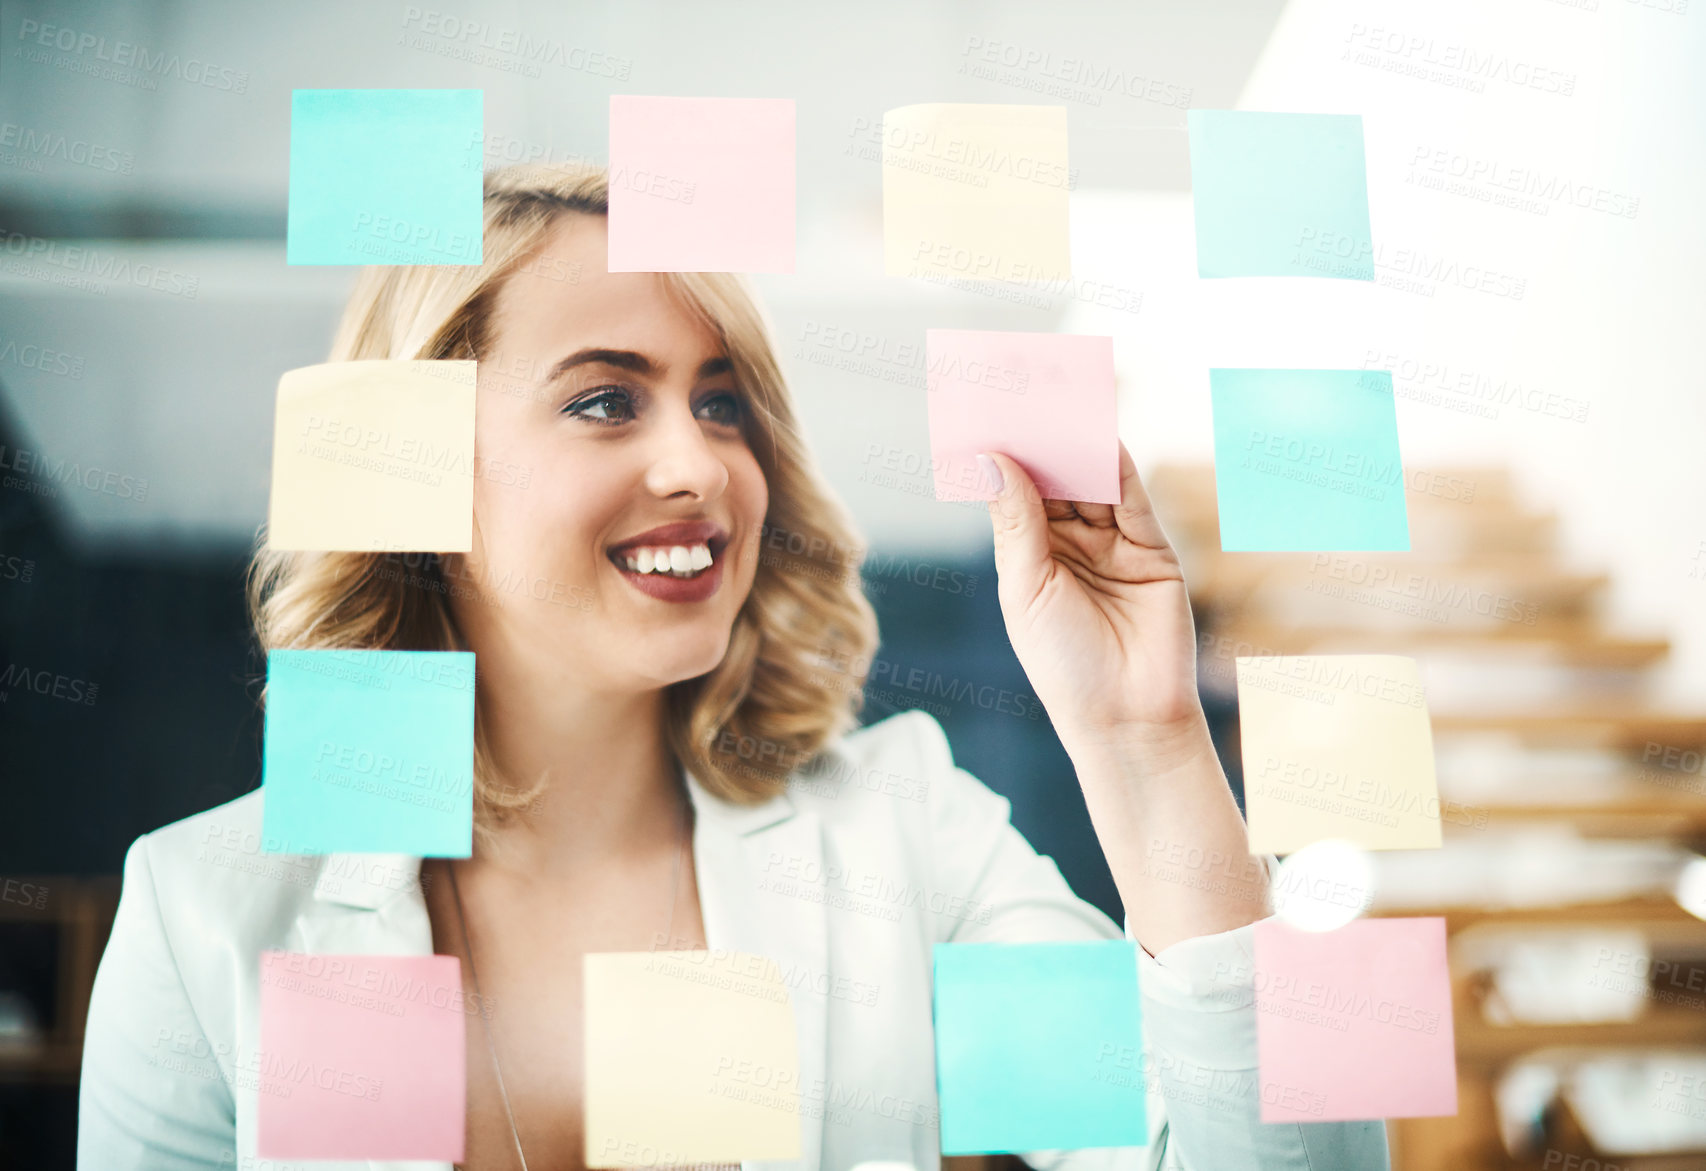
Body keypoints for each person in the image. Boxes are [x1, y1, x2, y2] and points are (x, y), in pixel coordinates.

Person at [77, 163, 1391, 1170]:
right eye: (604, 398)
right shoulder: (203, 915)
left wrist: (1144, 741)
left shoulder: (900, 835)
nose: (701, 465)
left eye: (721, 402)